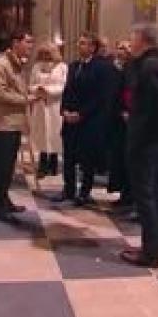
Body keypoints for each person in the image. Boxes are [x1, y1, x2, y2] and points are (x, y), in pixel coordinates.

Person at [120, 23, 158, 268]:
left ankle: (151, 253)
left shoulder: (150, 65)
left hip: (147, 142)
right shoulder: (157, 62)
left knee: (147, 198)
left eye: (132, 39)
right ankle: (155, 248)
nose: (129, 43)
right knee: (153, 196)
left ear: (143, 40)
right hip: (154, 140)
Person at [53, 32, 108, 206]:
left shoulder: (100, 67)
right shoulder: (73, 66)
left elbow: (99, 97)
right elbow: (67, 90)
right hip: (70, 120)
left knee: (87, 159)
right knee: (68, 157)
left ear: (93, 47)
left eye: (84, 43)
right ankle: (68, 190)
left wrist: (81, 114)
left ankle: (84, 192)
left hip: (88, 121)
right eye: (79, 43)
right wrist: (64, 111)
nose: (79, 46)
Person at [0, 30, 36, 223]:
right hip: (3, 125)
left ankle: (5, 200)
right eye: (28, 42)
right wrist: (26, 99)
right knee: (1, 168)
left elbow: (16, 88)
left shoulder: (17, 64)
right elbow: (0, 94)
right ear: (16, 42)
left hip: (14, 124)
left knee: (8, 168)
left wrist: (31, 91)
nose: (30, 46)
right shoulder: (1, 65)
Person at [29, 44, 68, 179]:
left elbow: (64, 85)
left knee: (54, 134)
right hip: (40, 104)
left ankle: (54, 163)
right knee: (42, 134)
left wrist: (49, 91)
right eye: (43, 53)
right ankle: (43, 165)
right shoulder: (37, 66)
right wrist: (37, 89)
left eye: (48, 53)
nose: (46, 56)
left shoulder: (62, 67)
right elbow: (31, 84)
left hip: (55, 105)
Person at [108, 41, 133, 211]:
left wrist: (127, 111)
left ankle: (131, 196)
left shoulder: (134, 69)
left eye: (125, 47)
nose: (121, 51)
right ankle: (123, 194)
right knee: (118, 159)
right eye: (119, 47)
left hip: (129, 120)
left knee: (129, 160)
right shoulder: (113, 68)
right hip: (116, 119)